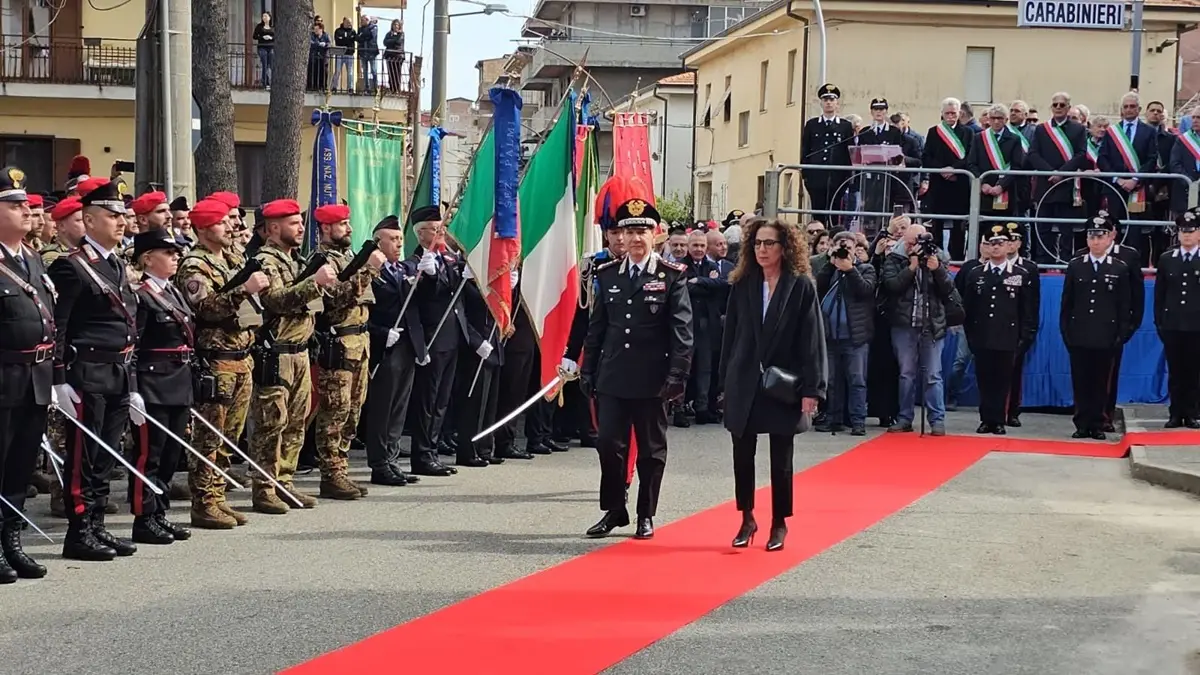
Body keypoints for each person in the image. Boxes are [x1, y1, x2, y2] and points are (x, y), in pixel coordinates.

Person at [580, 198, 693, 540]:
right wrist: (588, 370)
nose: (635, 238)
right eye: (628, 231)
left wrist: (677, 376)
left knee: (651, 450)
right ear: (620, 237)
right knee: (608, 446)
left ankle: (646, 513)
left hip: (652, 379)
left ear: (655, 235)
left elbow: (682, 333)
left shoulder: (671, 277)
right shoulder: (608, 274)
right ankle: (615, 510)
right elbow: (598, 328)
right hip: (613, 376)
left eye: (642, 231)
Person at [49, 177, 140, 561]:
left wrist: (132, 382)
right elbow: (59, 325)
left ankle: (98, 525)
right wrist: (58, 381)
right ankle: (79, 530)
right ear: (88, 219)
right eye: (111, 215)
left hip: (118, 372)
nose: (121, 221)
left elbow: (129, 326)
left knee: (106, 457)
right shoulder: (71, 267)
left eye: (122, 215)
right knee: (82, 459)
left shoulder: (118, 264)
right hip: (86, 373)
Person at [721, 218, 825, 552]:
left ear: (785, 248)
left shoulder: (800, 285)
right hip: (745, 379)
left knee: (781, 458)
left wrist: (813, 390)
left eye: (770, 244)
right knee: (742, 454)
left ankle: (779, 522)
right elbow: (730, 336)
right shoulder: (743, 282)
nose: (763, 250)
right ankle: (747, 517)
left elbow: (813, 340)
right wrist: (725, 381)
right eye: (758, 243)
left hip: (783, 382)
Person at [176, 198, 267, 528]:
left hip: (241, 358)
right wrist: (243, 289)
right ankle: (203, 501)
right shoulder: (194, 265)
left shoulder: (231, 258)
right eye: (220, 223)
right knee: (209, 436)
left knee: (230, 436)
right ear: (202, 229)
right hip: (216, 361)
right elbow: (206, 309)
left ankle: (218, 495)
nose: (230, 226)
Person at [249, 199, 337, 513]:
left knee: (296, 423)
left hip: (300, 351)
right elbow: (275, 300)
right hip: (277, 352)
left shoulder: (295, 259)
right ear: (273, 228)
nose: (301, 227)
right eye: (293, 223)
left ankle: (285, 482)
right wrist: (314, 284)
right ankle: (264, 486)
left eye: (300, 222)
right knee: (272, 422)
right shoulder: (266, 260)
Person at [0, 166, 53, 581]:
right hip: (3, 378)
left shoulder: (30, 257)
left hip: (34, 378)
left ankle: (11, 540)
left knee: (20, 464)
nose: (24, 211)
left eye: (25, 204)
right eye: (14, 204)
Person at [312, 204, 385, 499]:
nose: (349, 228)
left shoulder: (348, 258)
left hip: (359, 344)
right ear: (326, 228)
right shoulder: (321, 261)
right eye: (342, 224)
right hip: (339, 344)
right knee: (335, 411)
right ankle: (330, 473)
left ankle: (341, 470)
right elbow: (336, 299)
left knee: (353, 412)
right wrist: (368, 270)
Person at [128, 229, 193, 544]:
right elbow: (133, 346)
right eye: (168, 253)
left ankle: (159, 513)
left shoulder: (174, 292)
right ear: (147, 258)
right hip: (152, 384)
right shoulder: (141, 297)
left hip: (178, 382)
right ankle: (143, 518)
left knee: (170, 453)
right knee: (149, 454)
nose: (175, 257)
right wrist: (133, 389)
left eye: (176, 253)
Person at [879, 222, 959, 436]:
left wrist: (937, 269)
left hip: (932, 325)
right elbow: (892, 286)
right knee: (906, 374)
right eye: (910, 243)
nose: (913, 247)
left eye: (918, 242)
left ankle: (937, 419)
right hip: (904, 325)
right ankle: (904, 417)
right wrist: (912, 267)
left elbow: (948, 289)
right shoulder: (894, 259)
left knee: (933, 374)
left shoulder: (938, 259)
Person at [363, 216, 425, 485]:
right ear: (379, 242)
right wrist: (380, 333)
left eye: (401, 239)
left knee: (399, 406)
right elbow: (361, 313)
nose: (400, 244)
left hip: (406, 345)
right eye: (394, 239)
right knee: (382, 407)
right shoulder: (369, 272)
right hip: (384, 347)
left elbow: (415, 308)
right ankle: (378, 463)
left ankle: (392, 457)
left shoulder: (401, 270)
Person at [1060, 214, 1132, 440]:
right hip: (1080, 333)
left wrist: (1120, 335)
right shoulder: (1076, 265)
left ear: (1109, 238)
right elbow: (1067, 304)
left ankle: (1098, 423)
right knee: (1081, 380)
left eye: (1100, 236)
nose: (1095, 241)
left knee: (1101, 382)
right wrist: (1067, 332)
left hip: (1105, 335)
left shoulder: (1119, 268)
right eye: (1092, 236)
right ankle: (1082, 423)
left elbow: (1124, 305)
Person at [962, 226, 1038, 435]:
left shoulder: (1020, 274)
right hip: (982, 336)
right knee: (984, 380)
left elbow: (1027, 311)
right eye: (992, 243)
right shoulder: (976, 274)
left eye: (1000, 243)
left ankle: (999, 420)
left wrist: (1024, 338)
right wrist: (971, 337)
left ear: (1008, 246)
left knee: (1003, 380)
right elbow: (968, 309)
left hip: (1008, 338)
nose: (996, 247)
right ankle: (986, 419)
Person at [408, 205, 462, 476]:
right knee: (427, 401)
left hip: (450, 337)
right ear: (421, 234)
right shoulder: (416, 262)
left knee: (442, 400)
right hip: (431, 339)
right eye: (435, 228)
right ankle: (421, 454)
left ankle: (433, 449)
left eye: (442, 227)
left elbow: (454, 289)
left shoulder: (447, 258)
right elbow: (418, 302)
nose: (442, 232)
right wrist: (427, 276)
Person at [814, 231, 876, 435]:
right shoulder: (830, 270)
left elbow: (865, 291)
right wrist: (830, 263)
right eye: (840, 247)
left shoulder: (866, 269)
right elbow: (818, 287)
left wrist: (850, 270)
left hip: (855, 337)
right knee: (832, 381)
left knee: (857, 380)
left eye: (847, 248)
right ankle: (833, 418)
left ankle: (858, 422)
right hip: (831, 336)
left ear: (855, 249)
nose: (844, 252)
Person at [1152, 210, 1200, 428]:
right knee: (1175, 371)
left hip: (1196, 326)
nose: (1187, 236)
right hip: (1172, 325)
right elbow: (1159, 295)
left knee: (1194, 371)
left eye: (1191, 231)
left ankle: (1192, 413)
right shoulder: (1166, 259)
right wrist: (1160, 323)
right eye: (1183, 231)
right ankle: (1175, 413)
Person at [800, 84, 854, 226]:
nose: (828, 102)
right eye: (825, 100)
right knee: (818, 212)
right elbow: (805, 149)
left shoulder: (845, 126)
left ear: (837, 103)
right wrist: (805, 174)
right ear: (821, 103)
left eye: (832, 99)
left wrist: (848, 176)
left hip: (837, 177)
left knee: (835, 212)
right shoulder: (812, 125)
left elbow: (849, 152)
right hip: (816, 177)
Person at [253, 11, 274, 88]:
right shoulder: (259, 26)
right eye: (263, 16)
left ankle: (271, 82)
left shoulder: (273, 27)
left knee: (271, 65)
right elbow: (254, 36)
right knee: (264, 64)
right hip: (262, 47)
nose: (264, 18)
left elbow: (277, 36)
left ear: (269, 17)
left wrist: (271, 38)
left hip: (271, 47)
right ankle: (264, 82)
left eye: (265, 16)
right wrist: (262, 37)